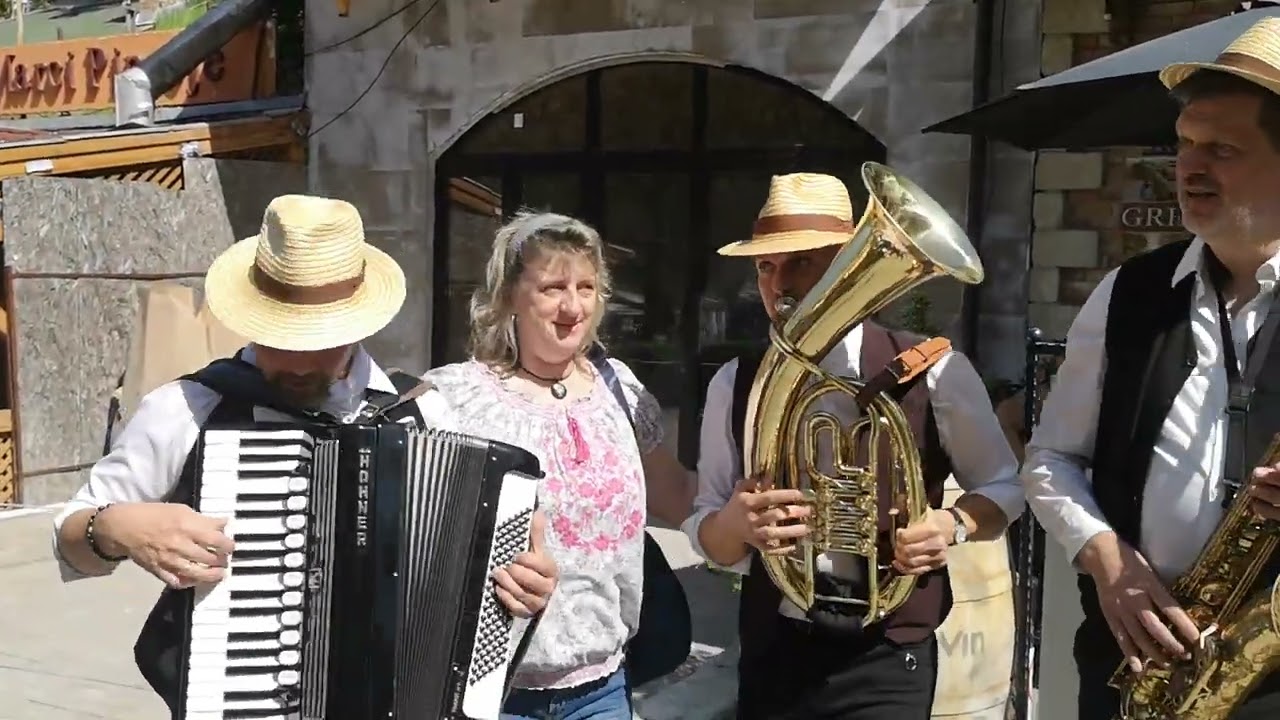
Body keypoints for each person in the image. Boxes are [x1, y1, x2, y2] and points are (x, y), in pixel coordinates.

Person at [50, 194, 559, 712]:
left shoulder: (423, 414)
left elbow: (479, 590)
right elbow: (71, 537)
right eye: (277, 335)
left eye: (318, 339)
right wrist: (117, 528)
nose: (295, 359)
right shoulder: (188, 409)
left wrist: (521, 585)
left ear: (360, 325)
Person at [683, 172, 1025, 720]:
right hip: (777, 646)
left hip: (888, 653)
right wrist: (735, 525)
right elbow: (713, 539)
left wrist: (952, 524)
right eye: (766, 266)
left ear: (845, 267)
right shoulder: (735, 380)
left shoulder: (932, 371)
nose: (779, 284)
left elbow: (1008, 487)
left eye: (802, 262)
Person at [1021, 17, 1280, 719]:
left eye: (1222, 149)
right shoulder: (1127, 292)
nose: (1190, 166)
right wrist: (1108, 561)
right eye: (1185, 144)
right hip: (1134, 669)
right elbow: (1050, 460)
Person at [423, 211, 694, 720]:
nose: (573, 307)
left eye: (586, 287)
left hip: (605, 689)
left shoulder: (620, 388)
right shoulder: (454, 398)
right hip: (492, 697)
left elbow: (679, 497)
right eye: (552, 287)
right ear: (509, 297)